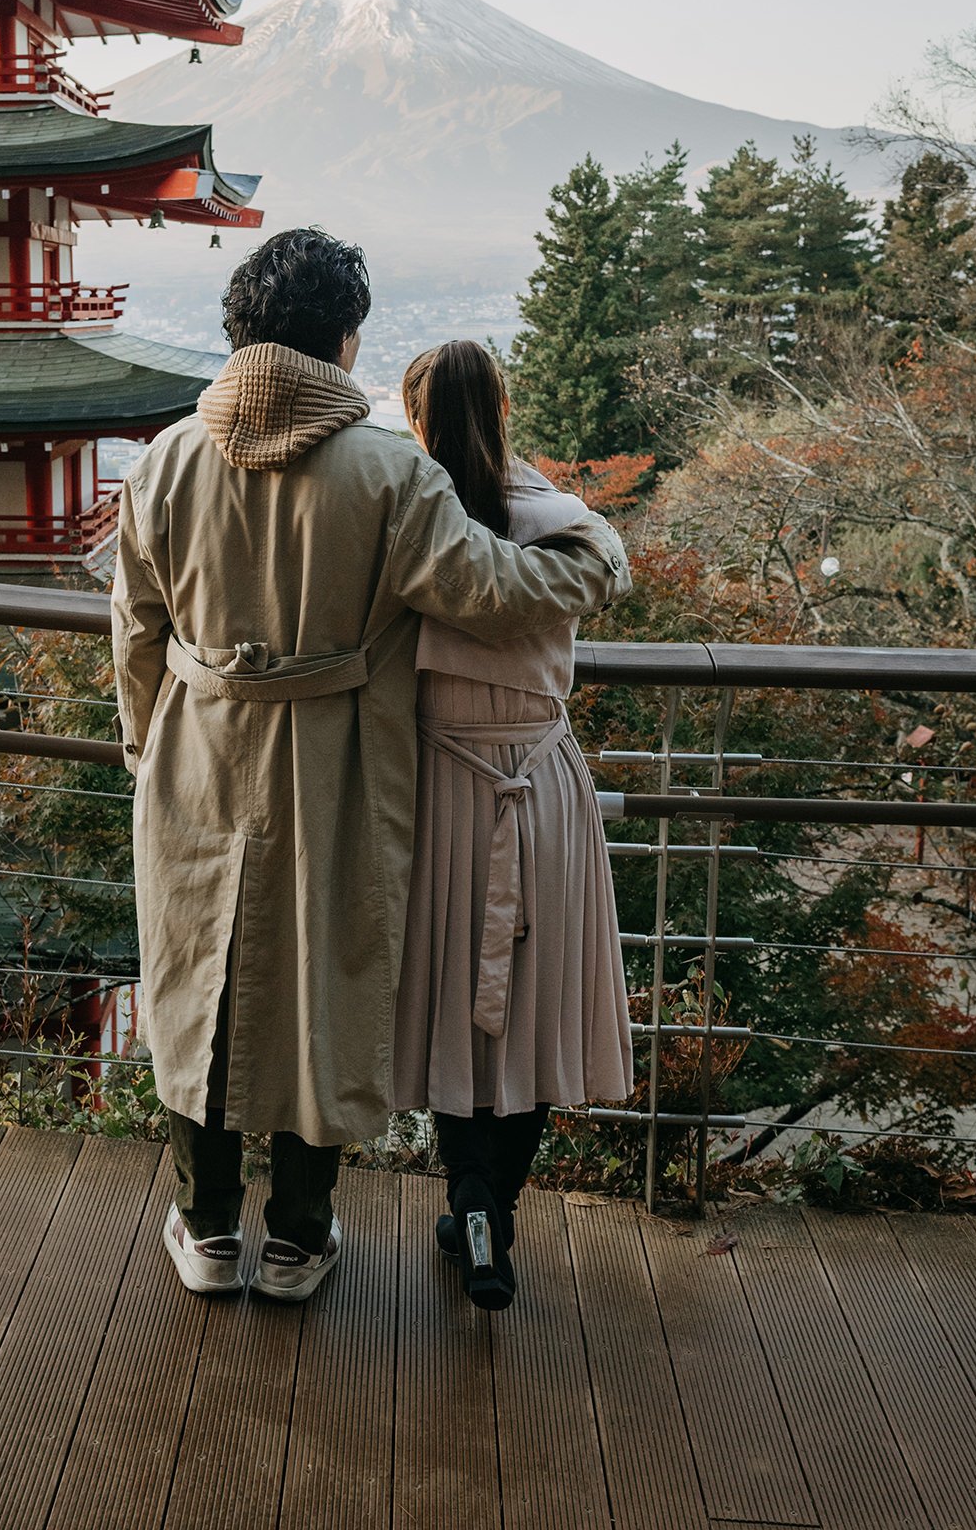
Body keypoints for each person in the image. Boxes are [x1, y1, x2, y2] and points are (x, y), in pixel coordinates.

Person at [111, 229, 630, 1303]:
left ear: (239, 330)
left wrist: (144, 748)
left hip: (197, 748)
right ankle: (300, 1239)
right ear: (343, 341)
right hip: (340, 756)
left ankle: (206, 1232)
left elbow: (134, 630)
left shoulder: (165, 457)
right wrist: (592, 552)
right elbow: (492, 591)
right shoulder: (388, 468)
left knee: (191, 982)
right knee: (328, 986)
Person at [393, 341, 635, 1311]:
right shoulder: (569, 529)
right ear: (502, 403)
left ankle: (469, 1196)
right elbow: (608, 566)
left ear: (416, 421)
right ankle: (500, 1205)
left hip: (439, 784)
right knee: (530, 1007)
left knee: (457, 998)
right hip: (543, 786)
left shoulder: (407, 529)